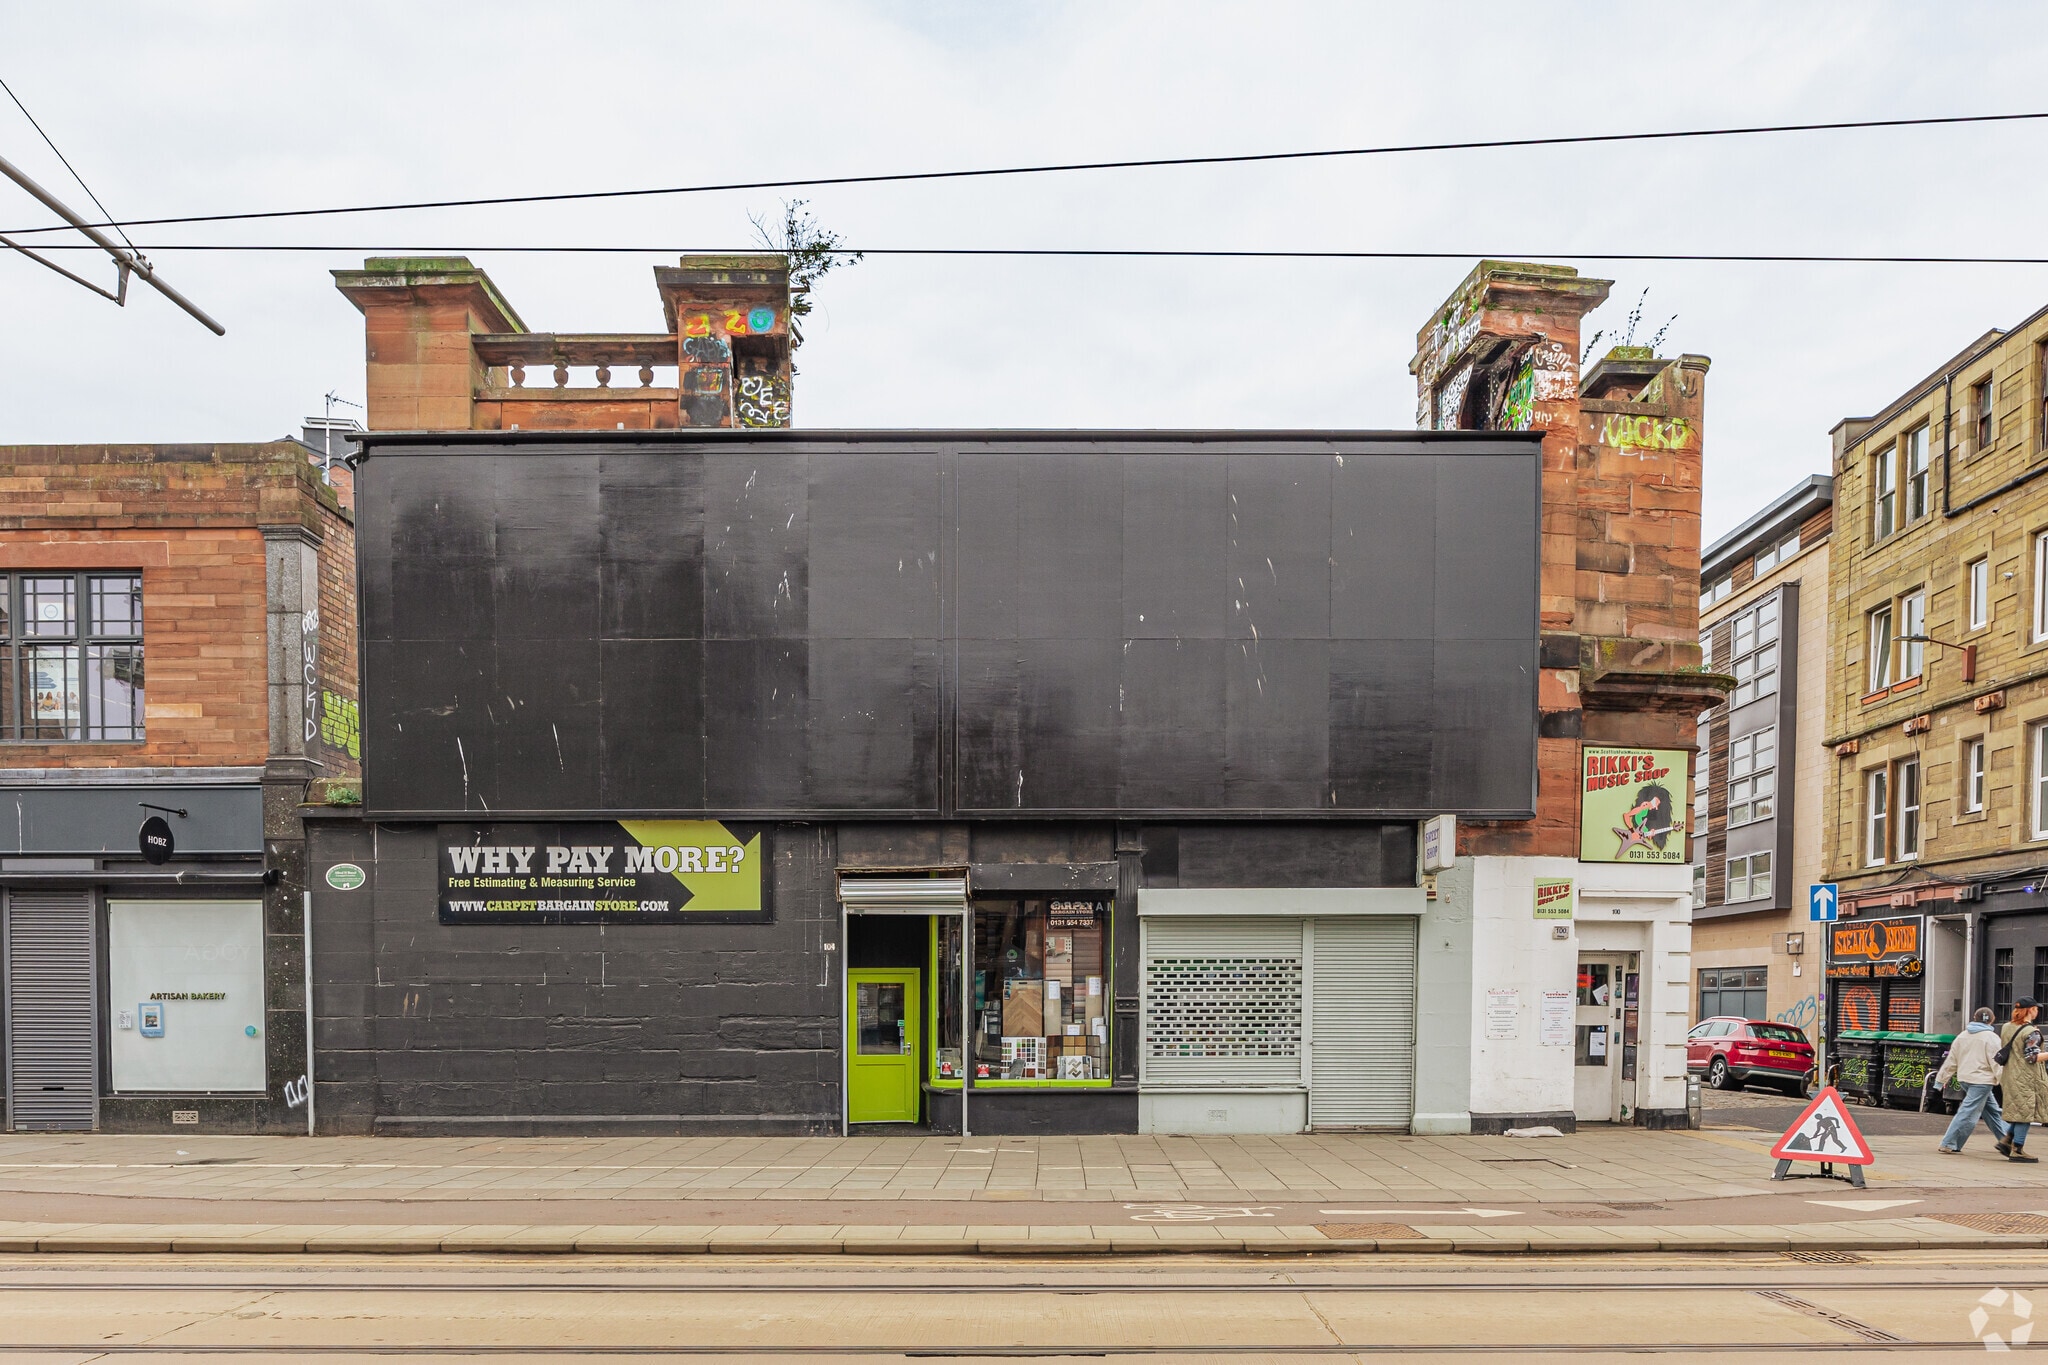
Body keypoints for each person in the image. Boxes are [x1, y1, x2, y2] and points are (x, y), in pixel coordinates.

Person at [1935, 1007, 2011, 1154]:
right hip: (1982, 1081)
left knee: (1992, 1111)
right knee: (1968, 1112)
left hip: (1965, 1079)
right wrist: (2006, 1084)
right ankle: (1949, 1143)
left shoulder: (1962, 1036)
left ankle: (2008, 1141)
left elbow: (1952, 1061)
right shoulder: (1991, 1038)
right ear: (1992, 1019)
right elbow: (1997, 1063)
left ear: (1974, 1018)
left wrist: (1940, 1080)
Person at [1998, 996, 2048, 1164]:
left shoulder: (2006, 1027)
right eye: (2036, 1008)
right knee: (2025, 1114)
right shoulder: (2031, 1032)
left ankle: (2006, 1141)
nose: (2037, 1011)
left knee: (2020, 1111)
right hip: (2026, 1078)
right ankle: (2017, 1150)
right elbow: (2032, 1057)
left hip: (2010, 1075)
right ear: (2030, 1010)